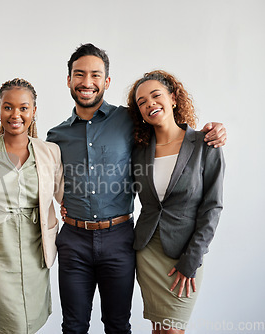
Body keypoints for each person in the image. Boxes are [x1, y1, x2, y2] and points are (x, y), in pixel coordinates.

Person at [47, 43, 227, 334]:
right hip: (74, 240)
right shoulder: (56, 135)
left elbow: (171, 133)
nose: (87, 82)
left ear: (106, 82)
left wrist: (215, 130)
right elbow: (44, 177)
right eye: (79, 74)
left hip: (120, 239)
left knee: (118, 325)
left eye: (95, 75)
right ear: (69, 80)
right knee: (73, 326)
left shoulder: (129, 120)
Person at [128, 70, 224, 333]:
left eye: (156, 95)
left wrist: (191, 259)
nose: (150, 104)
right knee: (159, 329)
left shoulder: (205, 143)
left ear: (173, 98)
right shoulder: (138, 151)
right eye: (142, 102)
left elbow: (212, 207)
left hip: (185, 253)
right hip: (147, 251)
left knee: (172, 329)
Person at [0, 78, 64, 334]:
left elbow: (64, 196)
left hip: (36, 249)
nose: (16, 114)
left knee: (28, 322)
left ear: (34, 111)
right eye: (8, 107)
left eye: (23, 108)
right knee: (8, 324)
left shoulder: (50, 152)